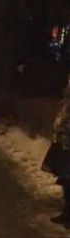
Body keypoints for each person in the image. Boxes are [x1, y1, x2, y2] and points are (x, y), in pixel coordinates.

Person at [44, 84, 70, 228]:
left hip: (67, 146)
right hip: (64, 146)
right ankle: (67, 213)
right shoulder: (66, 103)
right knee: (66, 182)